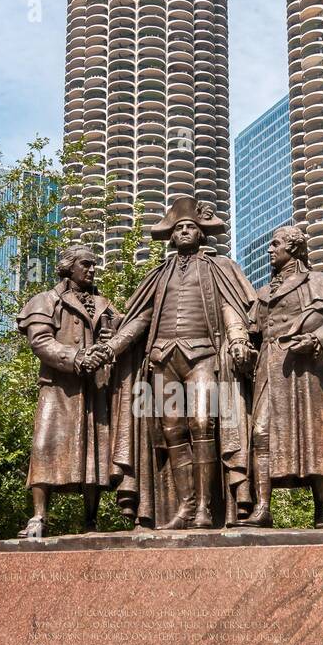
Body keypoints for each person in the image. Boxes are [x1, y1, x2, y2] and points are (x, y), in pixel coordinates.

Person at [104, 197, 256, 529]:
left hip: (202, 356)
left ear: (202, 234)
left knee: (203, 424)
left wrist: (238, 338)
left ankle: (205, 507)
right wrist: (114, 346)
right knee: (172, 431)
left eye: (191, 227)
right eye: (179, 228)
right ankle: (185, 507)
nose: (185, 231)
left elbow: (232, 307)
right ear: (171, 237)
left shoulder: (220, 268)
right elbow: (140, 318)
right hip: (162, 359)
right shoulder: (159, 275)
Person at [244, 224, 323, 528]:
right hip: (268, 368)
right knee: (261, 433)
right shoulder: (262, 293)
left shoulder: (320, 283)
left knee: (314, 437)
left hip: (304, 369)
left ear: (292, 248)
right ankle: (263, 508)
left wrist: (319, 339)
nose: (270, 250)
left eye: (275, 244)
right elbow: (252, 331)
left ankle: (320, 513)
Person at [16, 244, 121, 538]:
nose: (91, 269)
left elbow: (125, 331)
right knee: (45, 447)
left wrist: (110, 343)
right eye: (85, 264)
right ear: (69, 267)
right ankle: (39, 517)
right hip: (59, 388)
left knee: (94, 452)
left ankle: (90, 520)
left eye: (93, 265)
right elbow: (40, 341)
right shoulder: (44, 300)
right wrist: (76, 357)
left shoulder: (104, 304)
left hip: (94, 388)